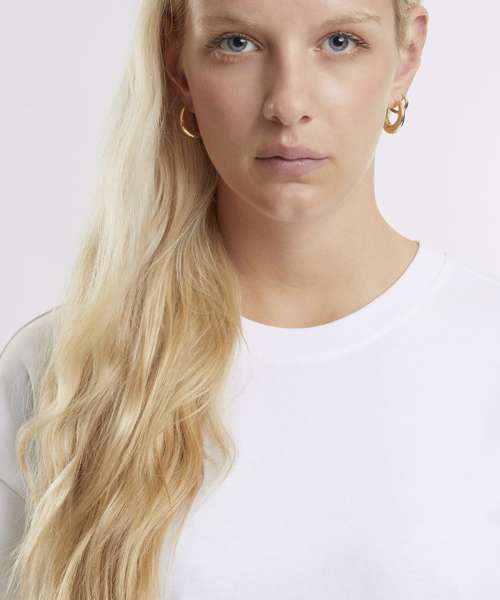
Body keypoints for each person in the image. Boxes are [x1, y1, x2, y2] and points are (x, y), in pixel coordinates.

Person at [1, 0, 500, 598]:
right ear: (178, 63)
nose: (288, 104)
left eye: (339, 42)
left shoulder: (486, 349)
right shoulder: (64, 371)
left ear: (407, 54)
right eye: (237, 44)